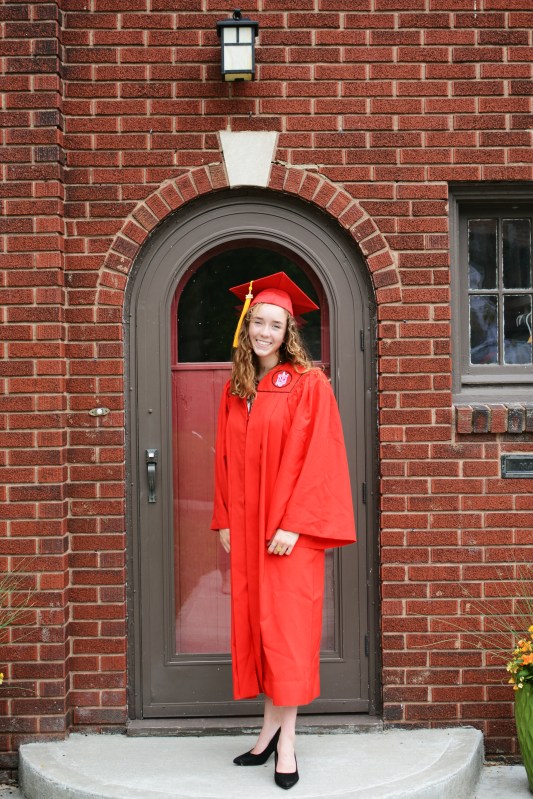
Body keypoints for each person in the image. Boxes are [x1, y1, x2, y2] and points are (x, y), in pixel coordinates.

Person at [211, 272, 356, 790]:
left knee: (288, 632)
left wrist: (294, 524)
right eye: (257, 322)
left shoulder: (309, 384)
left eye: (275, 324)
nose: (264, 332)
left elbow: (322, 460)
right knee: (260, 627)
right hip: (248, 530)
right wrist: (225, 517)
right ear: (246, 326)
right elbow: (224, 460)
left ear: (289, 330)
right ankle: (268, 730)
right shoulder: (237, 389)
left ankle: (287, 743)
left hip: (288, 532)